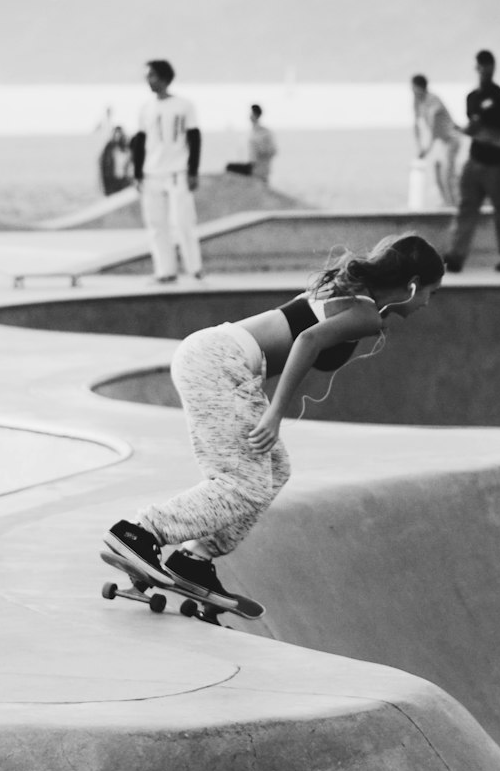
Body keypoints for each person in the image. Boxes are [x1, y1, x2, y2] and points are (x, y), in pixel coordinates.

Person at [104, 233, 444, 608]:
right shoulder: (365, 315)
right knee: (242, 484)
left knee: (275, 469)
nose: (428, 303)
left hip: (216, 356)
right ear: (412, 286)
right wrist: (276, 411)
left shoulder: (350, 293)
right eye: (431, 292)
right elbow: (308, 342)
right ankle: (140, 533)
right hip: (221, 363)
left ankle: (195, 557)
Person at [442, 51, 500, 274]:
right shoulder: (472, 97)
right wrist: (470, 130)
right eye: (480, 66)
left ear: (493, 67)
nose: (483, 70)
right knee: (465, 209)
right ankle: (455, 256)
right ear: (477, 68)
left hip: (497, 164)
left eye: (487, 66)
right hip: (474, 161)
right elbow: (472, 124)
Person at [130, 60, 203, 283]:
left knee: (183, 222)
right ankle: (165, 270)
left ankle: (194, 269)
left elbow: (194, 138)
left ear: (163, 77)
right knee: (156, 224)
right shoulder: (146, 108)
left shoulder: (184, 105)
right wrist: (138, 173)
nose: (148, 81)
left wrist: (192, 171)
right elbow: (140, 142)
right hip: (151, 173)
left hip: (177, 172)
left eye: (152, 76)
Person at [411, 75, 463, 206]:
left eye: (414, 88)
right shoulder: (417, 101)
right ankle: (447, 203)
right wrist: (419, 146)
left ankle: (455, 206)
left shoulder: (433, 99)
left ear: (420, 88)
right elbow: (416, 124)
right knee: (437, 171)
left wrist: (427, 148)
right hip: (442, 142)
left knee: (447, 174)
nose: (412, 91)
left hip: (451, 139)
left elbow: (434, 125)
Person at [225, 104, 278, 182]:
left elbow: (273, 151)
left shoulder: (265, 132)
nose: (250, 116)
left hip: (259, 167)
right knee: (229, 167)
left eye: (251, 113)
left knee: (229, 167)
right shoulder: (250, 132)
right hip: (251, 165)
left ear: (255, 114)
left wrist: (261, 150)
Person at [99, 126, 132, 196]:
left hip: (123, 182)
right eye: (116, 135)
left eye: (120, 135)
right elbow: (104, 168)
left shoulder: (126, 149)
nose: (118, 137)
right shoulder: (108, 150)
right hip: (112, 185)